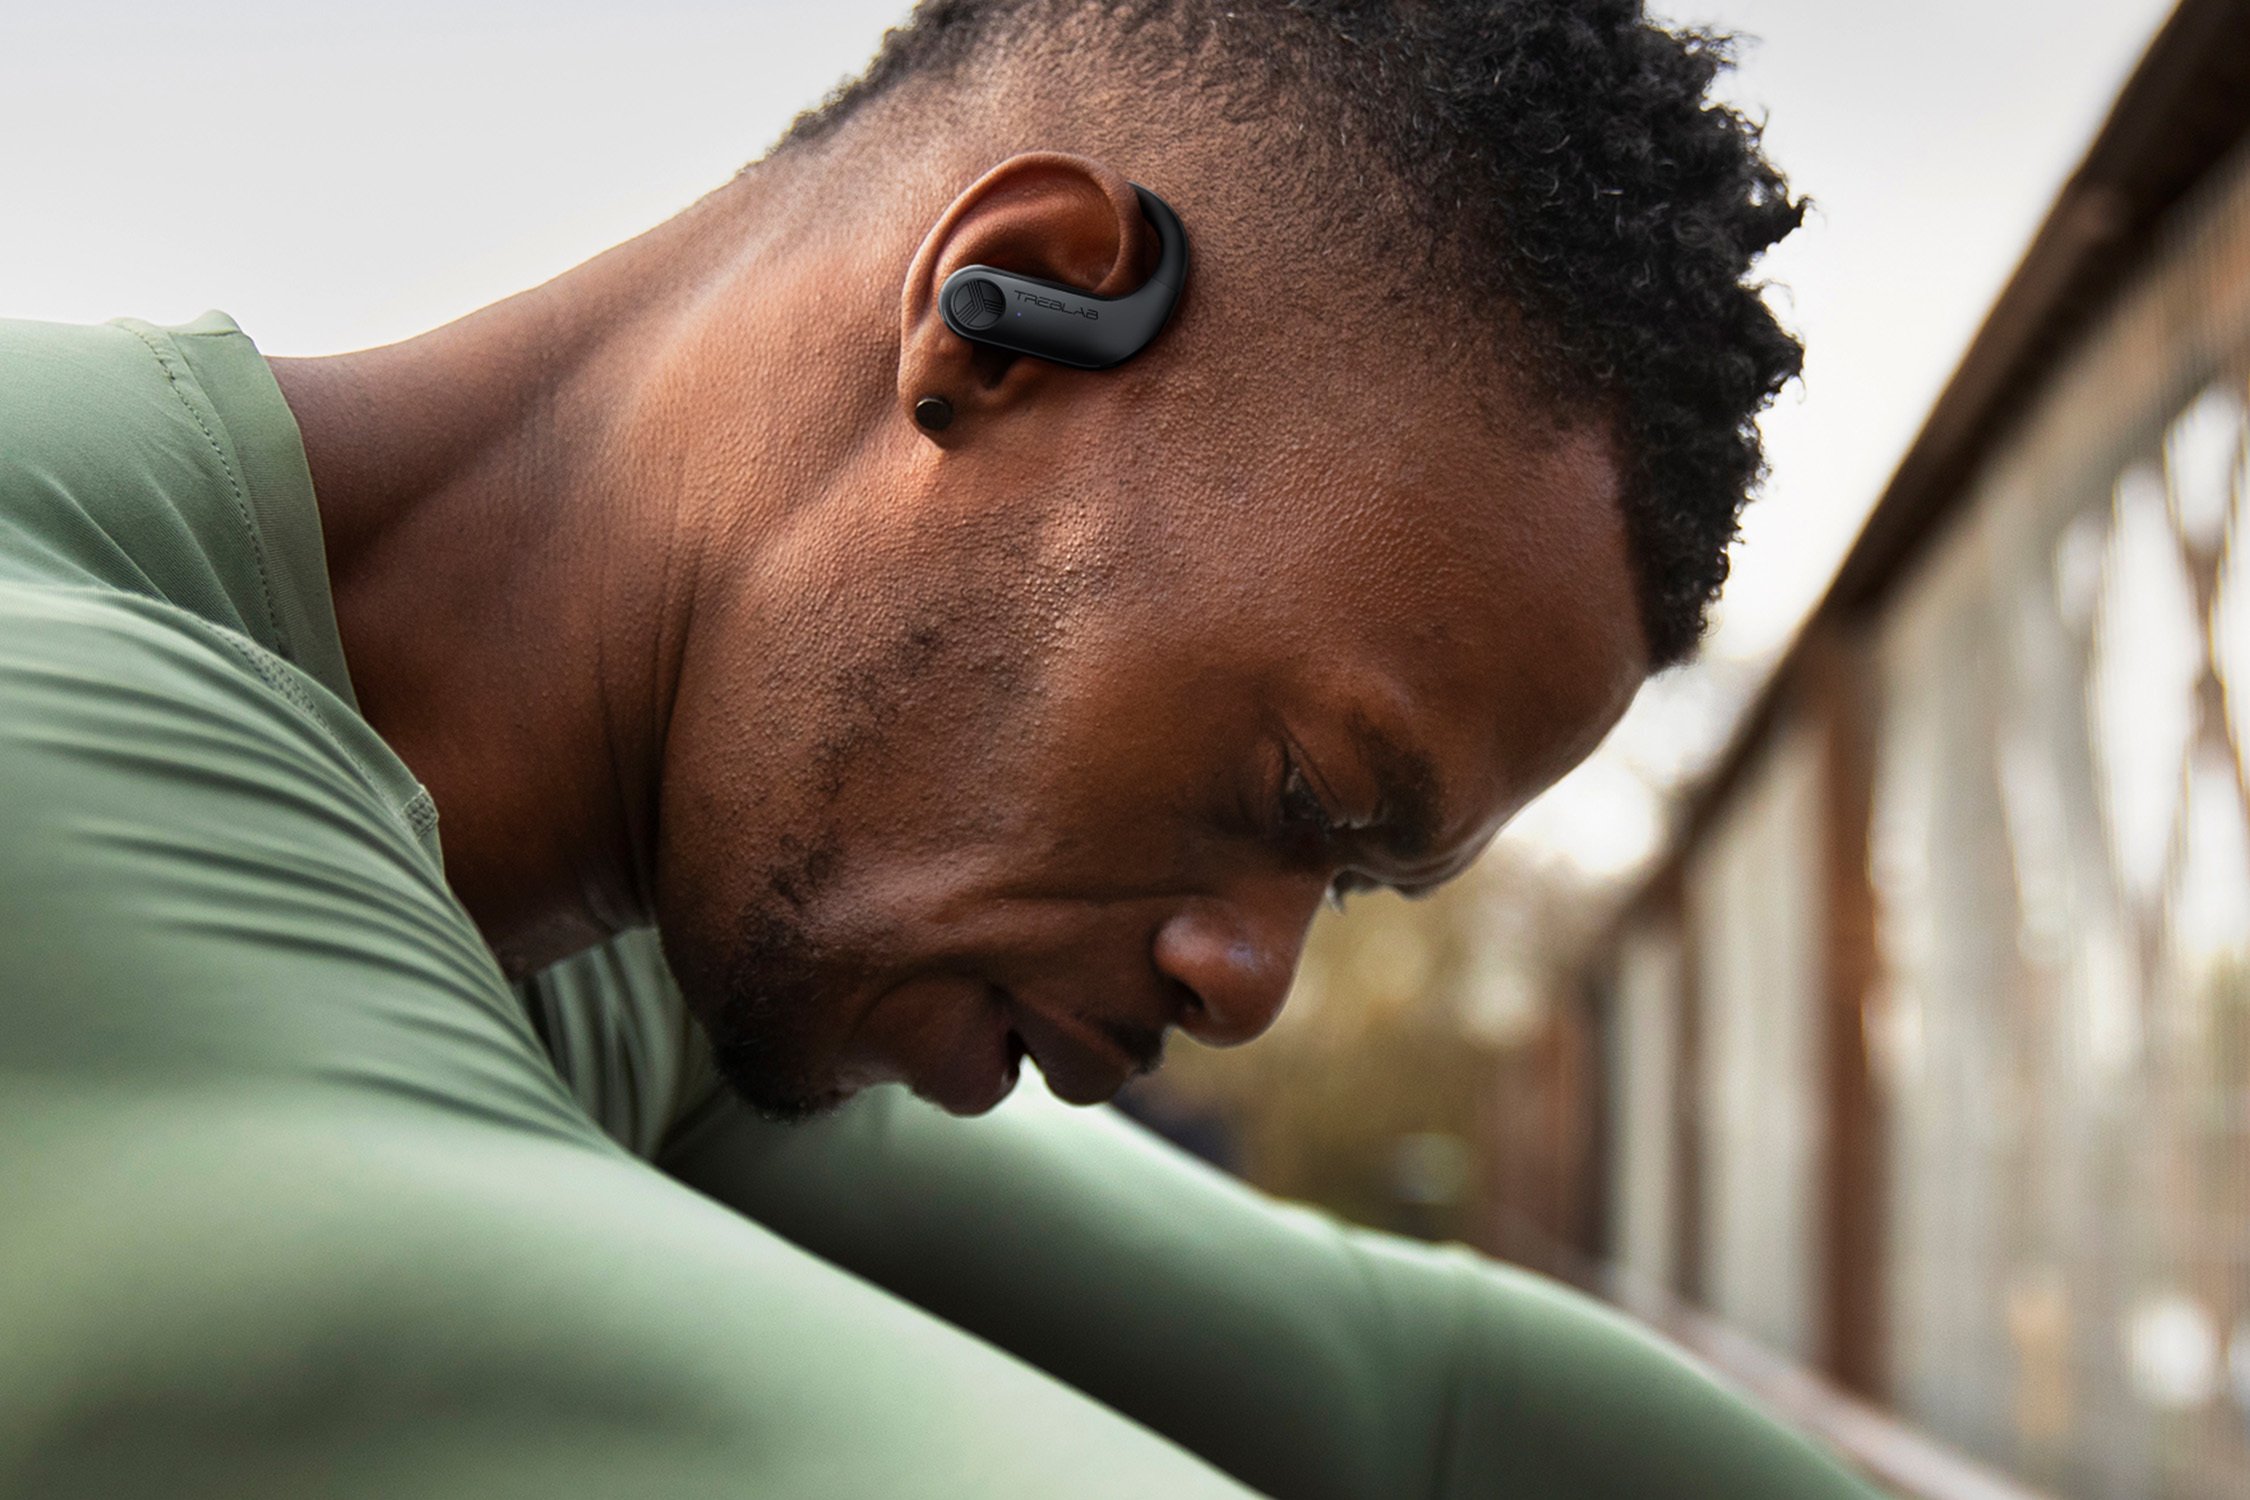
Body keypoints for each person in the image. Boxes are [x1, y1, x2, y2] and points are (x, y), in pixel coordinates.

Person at [0, 1, 1872, 1495]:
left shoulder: (619, 968)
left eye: (1352, 887)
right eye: (1295, 797)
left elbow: (1404, 1405)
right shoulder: (44, 722)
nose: (1250, 985)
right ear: (1010, 322)